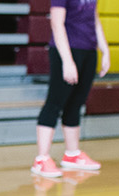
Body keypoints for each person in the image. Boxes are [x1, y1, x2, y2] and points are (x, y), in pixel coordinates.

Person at [33, 0, 111, 178]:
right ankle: (41, 159)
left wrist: (104, 49)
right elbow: (57, 23)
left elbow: (94, 18)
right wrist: (67, 60)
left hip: (88, 51)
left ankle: (72, 154)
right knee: (54, 103)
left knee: (76, 103)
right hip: (66, 50)